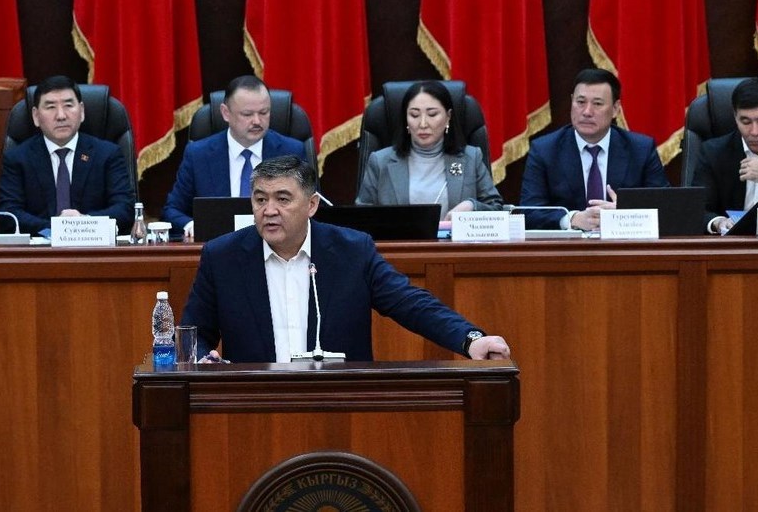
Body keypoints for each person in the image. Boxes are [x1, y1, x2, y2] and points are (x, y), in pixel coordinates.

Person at [182, 155, 510, 363]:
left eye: (283, 199)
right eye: (260, 200)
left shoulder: (352, 251)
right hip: (253, 408)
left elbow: (412, 304)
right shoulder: (222, 257)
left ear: (311, 205)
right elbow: (193, 334)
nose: (269, 210)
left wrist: (470, 340)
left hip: (341, 405)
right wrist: (200, 360)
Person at [520, 68, 668, 230]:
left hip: (622, 242)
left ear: (615, 109)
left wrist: (626, 212)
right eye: (580, 102)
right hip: (568, 245)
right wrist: (571, 219)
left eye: (597, 104)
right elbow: (528, 212)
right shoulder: (545, 150)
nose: (587, 112)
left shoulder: (641, 150)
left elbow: (666, 207)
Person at [162, 75, 307, 239]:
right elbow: (171, 210)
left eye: (264, 112)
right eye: (247, 114)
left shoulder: (291, 152)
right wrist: (192, 225)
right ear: (226, 113)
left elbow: (309, 206)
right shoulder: (198, 155)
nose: (257, 121)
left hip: (277, 246)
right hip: (218, 246)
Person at [0, 75, 135, 235]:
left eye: (68, 105)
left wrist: (85, 222)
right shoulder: (18, 158)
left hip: (94, 246)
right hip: (40, 247)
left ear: (81, 111)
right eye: (50, 107)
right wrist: (58, 228)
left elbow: (125, 208)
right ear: (36, 116)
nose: (61, 116)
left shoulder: (107, 154)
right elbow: (8, 214)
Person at [355, 80, 502, 219]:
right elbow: (361, 217)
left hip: (456, 238)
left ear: (448, 117)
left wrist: (472, 206)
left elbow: (497, 209)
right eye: (414, 115)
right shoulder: (380, 162)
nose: (423, 124)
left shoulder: (471, 158)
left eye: (432, 114)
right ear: (406, 119)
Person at [692, 77, 758, 234]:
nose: (754, 132)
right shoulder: (713, 152)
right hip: (731, 244)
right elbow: (696, 209)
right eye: (746, 121)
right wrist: (718, 222)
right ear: (735, 117)